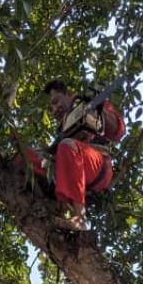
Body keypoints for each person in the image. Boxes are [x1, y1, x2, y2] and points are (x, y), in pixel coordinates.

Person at [26, 78, 124, 230]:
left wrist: (95, 108)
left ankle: (79, 219)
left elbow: (119, 131)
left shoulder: (89, 103)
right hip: (69, 169)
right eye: (50, 109)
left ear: (69, 94)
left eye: (56, 101)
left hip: (97, 165)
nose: (55, 109)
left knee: (67, 146)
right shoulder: (61, 131)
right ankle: (57, 208)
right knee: (27, 155)